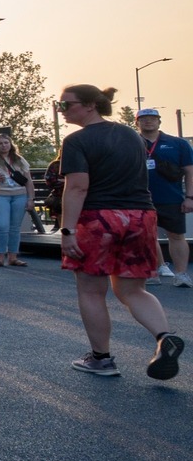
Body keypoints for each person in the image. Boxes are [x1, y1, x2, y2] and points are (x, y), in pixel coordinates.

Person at [55, 85, 183, 379]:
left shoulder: (76, 141)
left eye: (66, 105)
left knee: (91, 290)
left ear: (89, 105)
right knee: (132, 290)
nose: (62, 110)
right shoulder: (131, 135)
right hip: (140, 215)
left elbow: (77, 187)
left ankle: (101, 359)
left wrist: (67, 229)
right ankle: (164, 336)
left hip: (98, 218)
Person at [136, 107, 193, 285]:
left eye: (152, 118)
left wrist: (190, 197)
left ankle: (181, 274)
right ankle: (152, 271)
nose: (148, 121)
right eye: (144, 118)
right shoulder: (131, 143)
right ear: (137, 122)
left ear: (159, 121)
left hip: (171, 197)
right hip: (140, 198)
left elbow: (190, 171)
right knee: (146, 236)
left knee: (176, 236)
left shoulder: (178, 143)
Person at [0, 130, 36, 269]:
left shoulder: (19, 159)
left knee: (14, 227)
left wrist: (31, 199)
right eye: (0, 143)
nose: (3, 146)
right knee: (1, 226)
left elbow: (28, 181)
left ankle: (13, 257)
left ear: (11, 144)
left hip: (19, 195)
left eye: (6, 143)